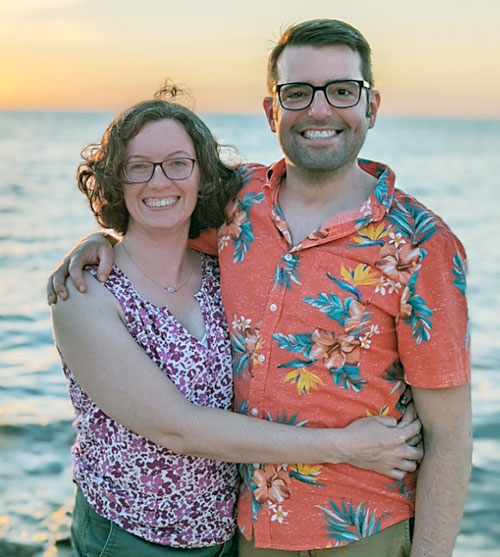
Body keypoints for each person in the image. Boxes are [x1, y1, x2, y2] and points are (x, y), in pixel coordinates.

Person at [48, 19, 472, 556]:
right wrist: (97, 240)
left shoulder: (422, 244)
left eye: (343, 90)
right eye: (298, 93)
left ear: (372, 106)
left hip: (365, 528)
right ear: (273, 110)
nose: (319, 110)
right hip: (249, 529)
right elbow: (156, 212)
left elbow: (451, 435)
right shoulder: (236, 203)